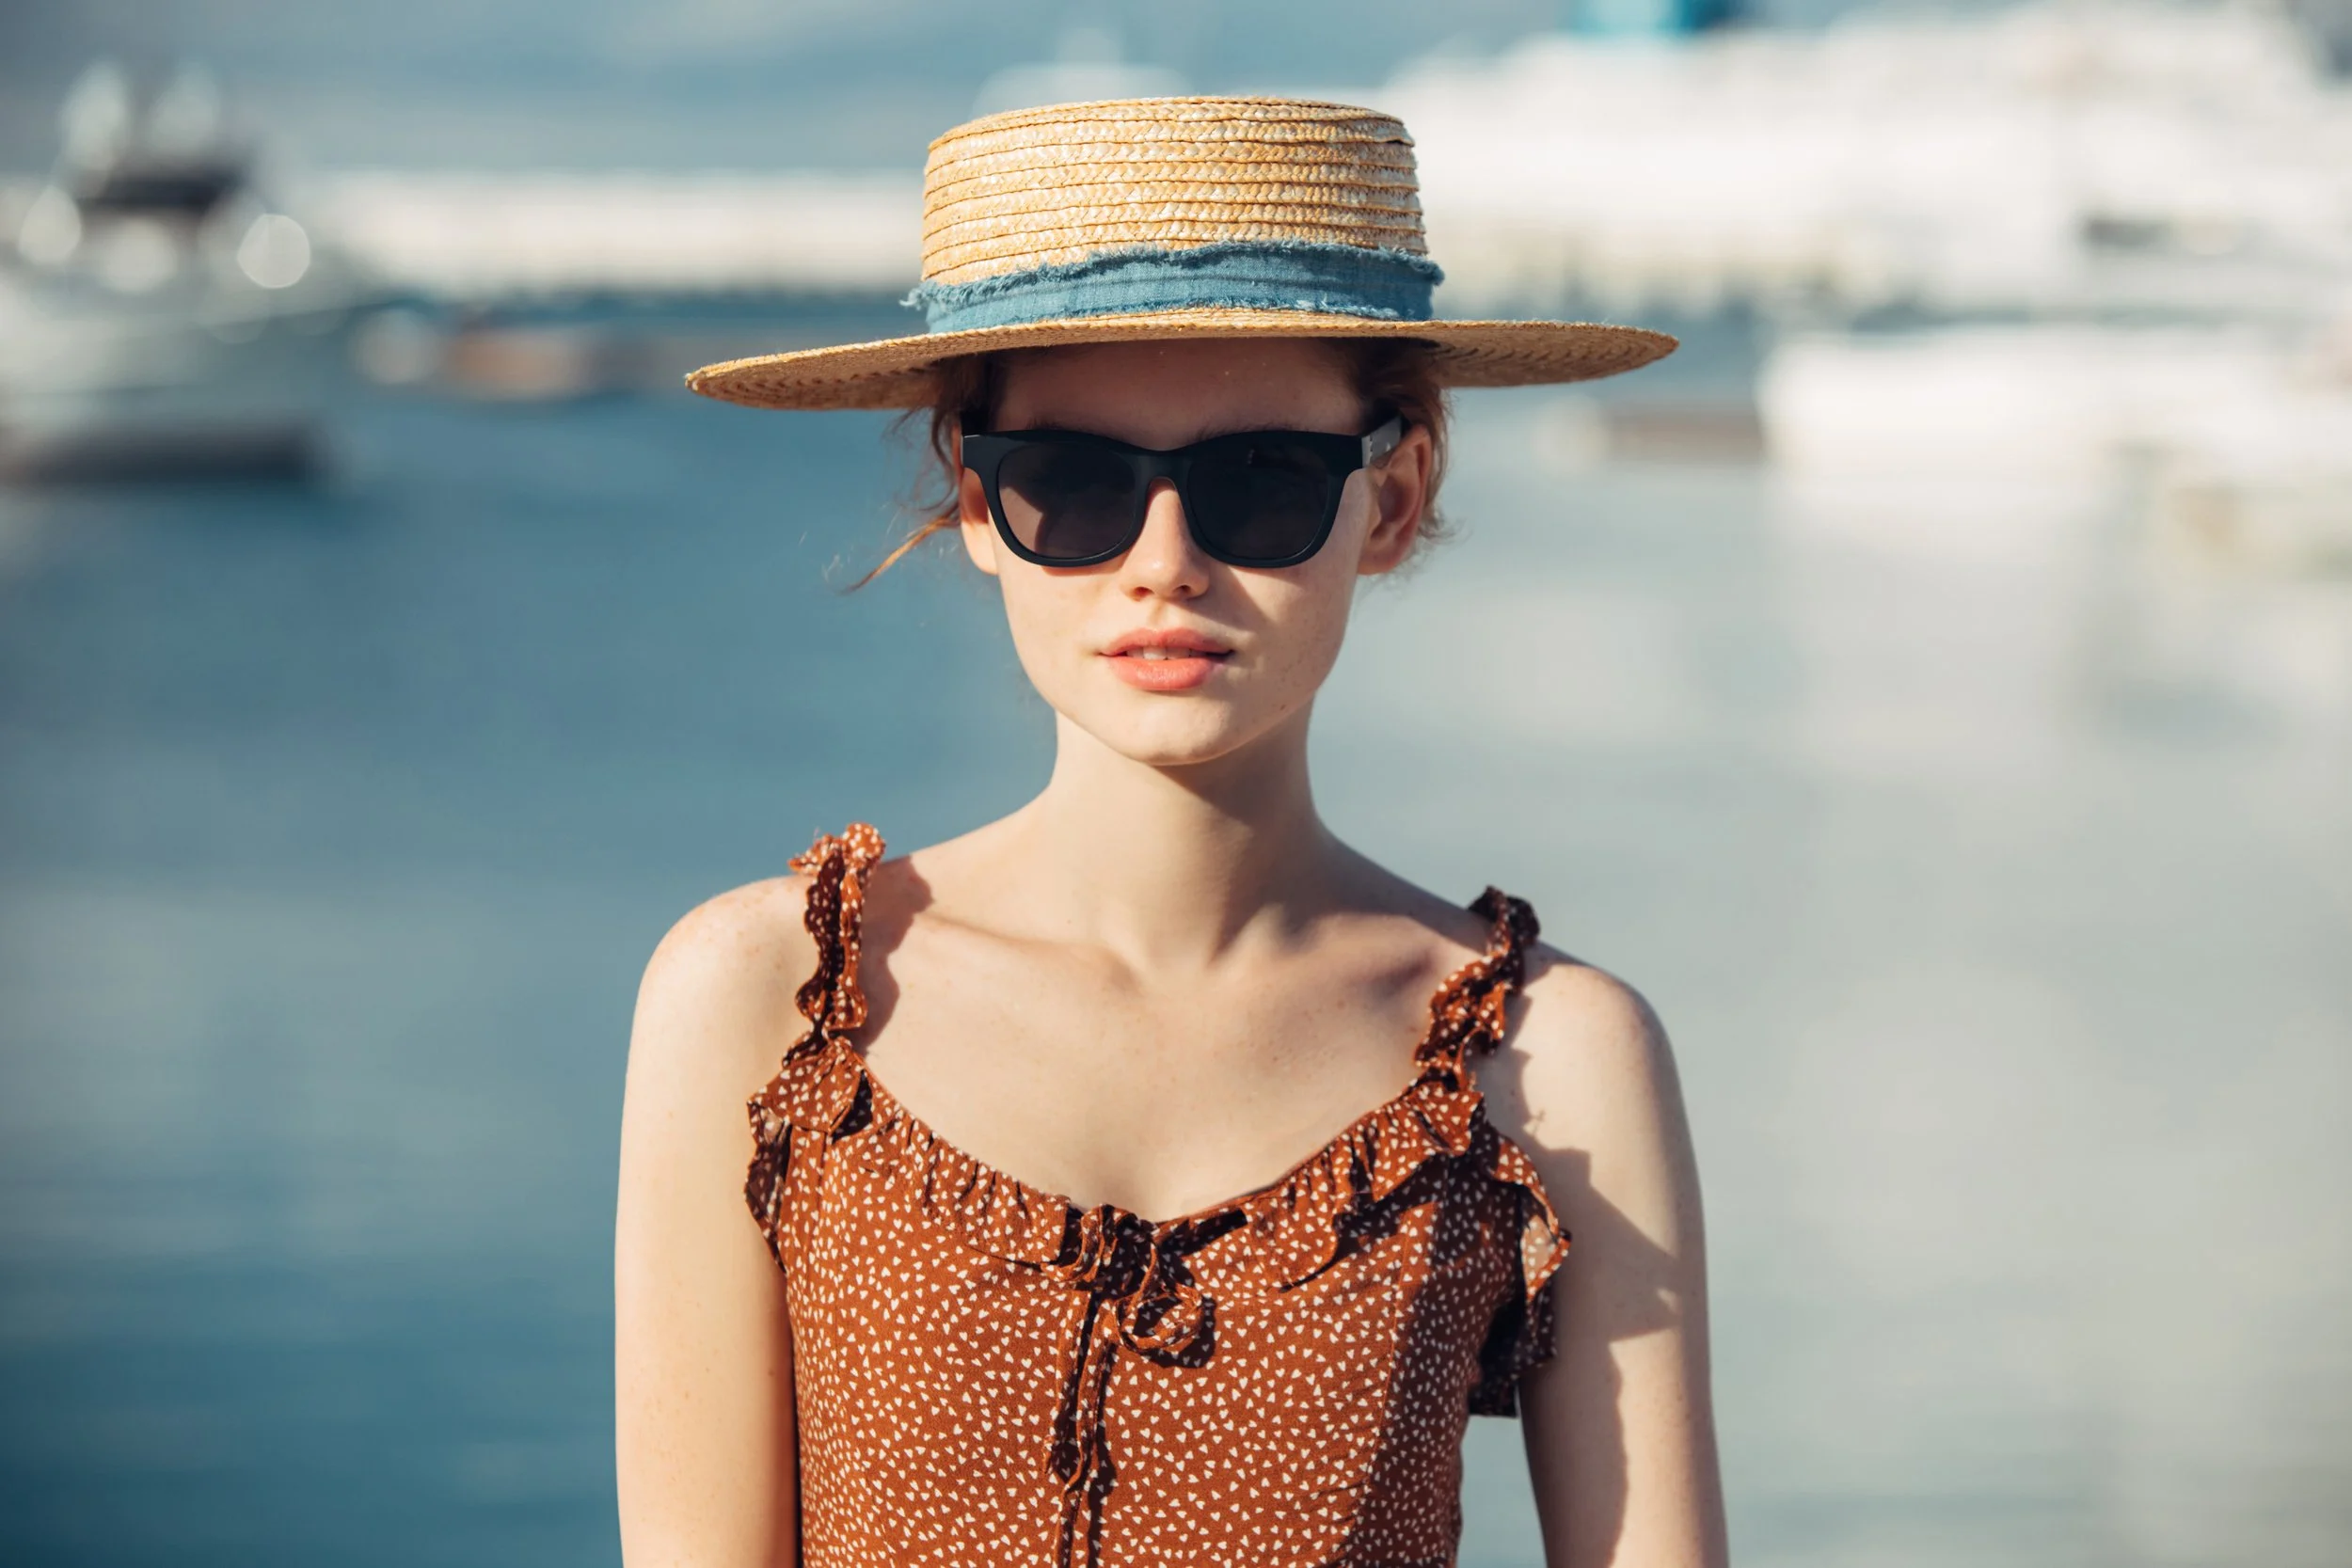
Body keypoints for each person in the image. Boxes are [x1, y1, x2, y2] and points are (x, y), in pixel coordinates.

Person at [614, 96, 1725, 1568]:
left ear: (1389, 500)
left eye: (1260, 483)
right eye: (1071, 483)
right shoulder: (770, 1003)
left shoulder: (1549, 1058)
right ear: (977, 501)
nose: (1164, 564)